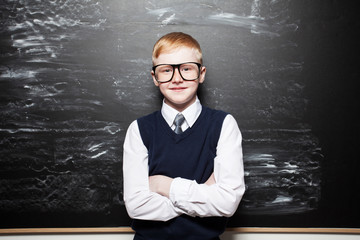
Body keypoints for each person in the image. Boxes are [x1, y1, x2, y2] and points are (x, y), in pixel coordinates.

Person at [123, 32, 245, 240]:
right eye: (166, 70)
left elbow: (227, 202)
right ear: (155, 78)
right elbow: (136, 206)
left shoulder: (223, 125)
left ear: (202, 73)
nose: (177, 78)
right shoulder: (139, 129)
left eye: (186, 68)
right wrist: (204, 195)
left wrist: (163, 186)